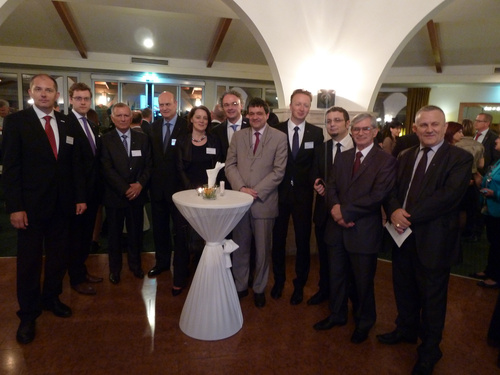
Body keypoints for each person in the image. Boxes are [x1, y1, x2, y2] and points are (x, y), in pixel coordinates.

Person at [378, 105, 472, 374]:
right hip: (401, 237)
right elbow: (392, 188)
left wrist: (405, 216)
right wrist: (394, 209)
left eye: (435, 124)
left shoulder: (459, 158)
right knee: (403, 289)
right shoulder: (406, 154)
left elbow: (448, 197)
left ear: (444, 128)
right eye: (424, 125)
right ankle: (405, 330)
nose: (429, 129)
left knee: (432, 300)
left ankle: (430, 350)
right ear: (415, 128)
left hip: (434, 240)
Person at [2, 74, 86, 344]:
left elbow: (73, 165)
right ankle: (28, 313)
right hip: (30, 208)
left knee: (58, 257)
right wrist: (15, 207)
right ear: (30, 92)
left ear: (57, 95)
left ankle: (51, 298)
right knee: (29, 263)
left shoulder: (65, 121)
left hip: (62, 206)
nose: (44, 94)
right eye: (38, 89)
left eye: (49, 90)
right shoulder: (16, 122)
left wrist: (79, 197)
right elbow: (11, 169)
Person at [313, 113, 396, 344]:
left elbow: (378, 195)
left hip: (363, 231)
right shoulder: (343, 157)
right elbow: (330, 187)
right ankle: (337, 315)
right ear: (352, 131)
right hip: (336, 230)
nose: (360, 133)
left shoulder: (385, 160)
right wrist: (335, 210)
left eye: (365, 129)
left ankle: (364, 322)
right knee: (336, 277)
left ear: (375, 131)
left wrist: (345, 213)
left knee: (362, 282)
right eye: (357, 129)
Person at [225, 97, 287, 308]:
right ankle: (240, 285)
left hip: (264, 203)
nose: (255, 117)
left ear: (267, 115)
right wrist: (241, 189)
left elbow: (279, 172)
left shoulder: (279, 137)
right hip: (240, 203)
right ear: (247, 114)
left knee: (262, 250)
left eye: (259, 113)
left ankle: (259, 288)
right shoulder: (238, 136)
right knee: (240, 248)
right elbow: (229, 165)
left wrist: (256, 192)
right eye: (251, 113)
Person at [271, 89, 324, 305]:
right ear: (290, 106)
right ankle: (278, 281)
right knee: (278, 240)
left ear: (309, 108)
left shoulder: (316, 133)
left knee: (303, 241)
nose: (302, 108)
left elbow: (316, 164)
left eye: (306, 105)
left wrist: (317, 183)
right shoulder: (276, 130)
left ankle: (299, 284)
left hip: (303, 195)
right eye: (298, 104)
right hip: (279, 193)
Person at [100, 103, 151, 284]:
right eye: (119, 116)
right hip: (115, 197)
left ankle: (135, 266)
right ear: (113, 119)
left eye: (126, 116)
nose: (123, 119)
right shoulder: (105, 140)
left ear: (131, 118)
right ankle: (114, 269)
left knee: (135, 234)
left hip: (137, 196)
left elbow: (148, 165)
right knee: (114, 236)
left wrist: (139, 185)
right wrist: (125, 188)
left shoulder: (142, 139)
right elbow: (106, 168)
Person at [174, 105, 223, 294]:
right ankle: (179, 277)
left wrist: (207, 192)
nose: (202, 121)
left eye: (205, 118)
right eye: (198, 117)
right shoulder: (182, 141)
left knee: (206, 237)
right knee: (182, 237)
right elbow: (179, 168)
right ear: (191, 119)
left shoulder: (214, 141)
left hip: (209, 196)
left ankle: (203, 278)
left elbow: (218, 168)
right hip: (186, 195)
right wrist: (192, 191)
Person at [309, 106, 354, 305]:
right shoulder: (322, 148)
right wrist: (317, 182)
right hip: (324, 213)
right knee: (325, 257)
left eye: (337, 120)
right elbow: (314, 172)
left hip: (349, 214)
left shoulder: (358, 146)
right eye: (328, 121)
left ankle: (348, 297)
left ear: (347, 123)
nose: (332, 124)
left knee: (349, 261)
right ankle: (324, 290)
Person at [147, 91, 188, 281]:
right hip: (157, 190)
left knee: (180, 231)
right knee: (160, 229)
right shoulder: (152, 127)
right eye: (161, 105)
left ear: (176, 103)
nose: (164, 108)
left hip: (180, 190)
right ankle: (162, 263)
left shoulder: (186, 126)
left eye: (167, 104)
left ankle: (181, 266)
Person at [67, 82, 103, 295]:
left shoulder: (91, 124)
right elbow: (71, 166)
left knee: (85, 237)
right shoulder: (66, 124)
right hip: (77, 195)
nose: (83, 102)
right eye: (78, 98)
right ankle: (76, 278)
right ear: (71, 99)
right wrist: (79, 197)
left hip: (92, 192)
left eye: (86, 99)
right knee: (76, 238)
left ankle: (81, 270)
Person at [454, 120, 485, 242]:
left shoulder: (455, 144)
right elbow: (481, 165)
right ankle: (467, 233)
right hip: (472, 176)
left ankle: (455, 233)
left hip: (457, 177)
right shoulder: (479, 145)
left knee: (457, 207)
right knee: (470, 208)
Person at [211, 90, 250, 189]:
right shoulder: (216, 131)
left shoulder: (252, 126)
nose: (230, 108)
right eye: (226, 105)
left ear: (242, 105)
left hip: (249, 182)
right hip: (225, 183)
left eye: (234, 104)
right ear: (223, 108)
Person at [476, 136, 500, 289]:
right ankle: (490, 271)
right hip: (491, 210)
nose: (496, 140)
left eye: (499, 139)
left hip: (498, 210)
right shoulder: (498, 161)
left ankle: (496, 276)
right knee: (494, 242)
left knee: (498, 244)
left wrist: (494, 194)